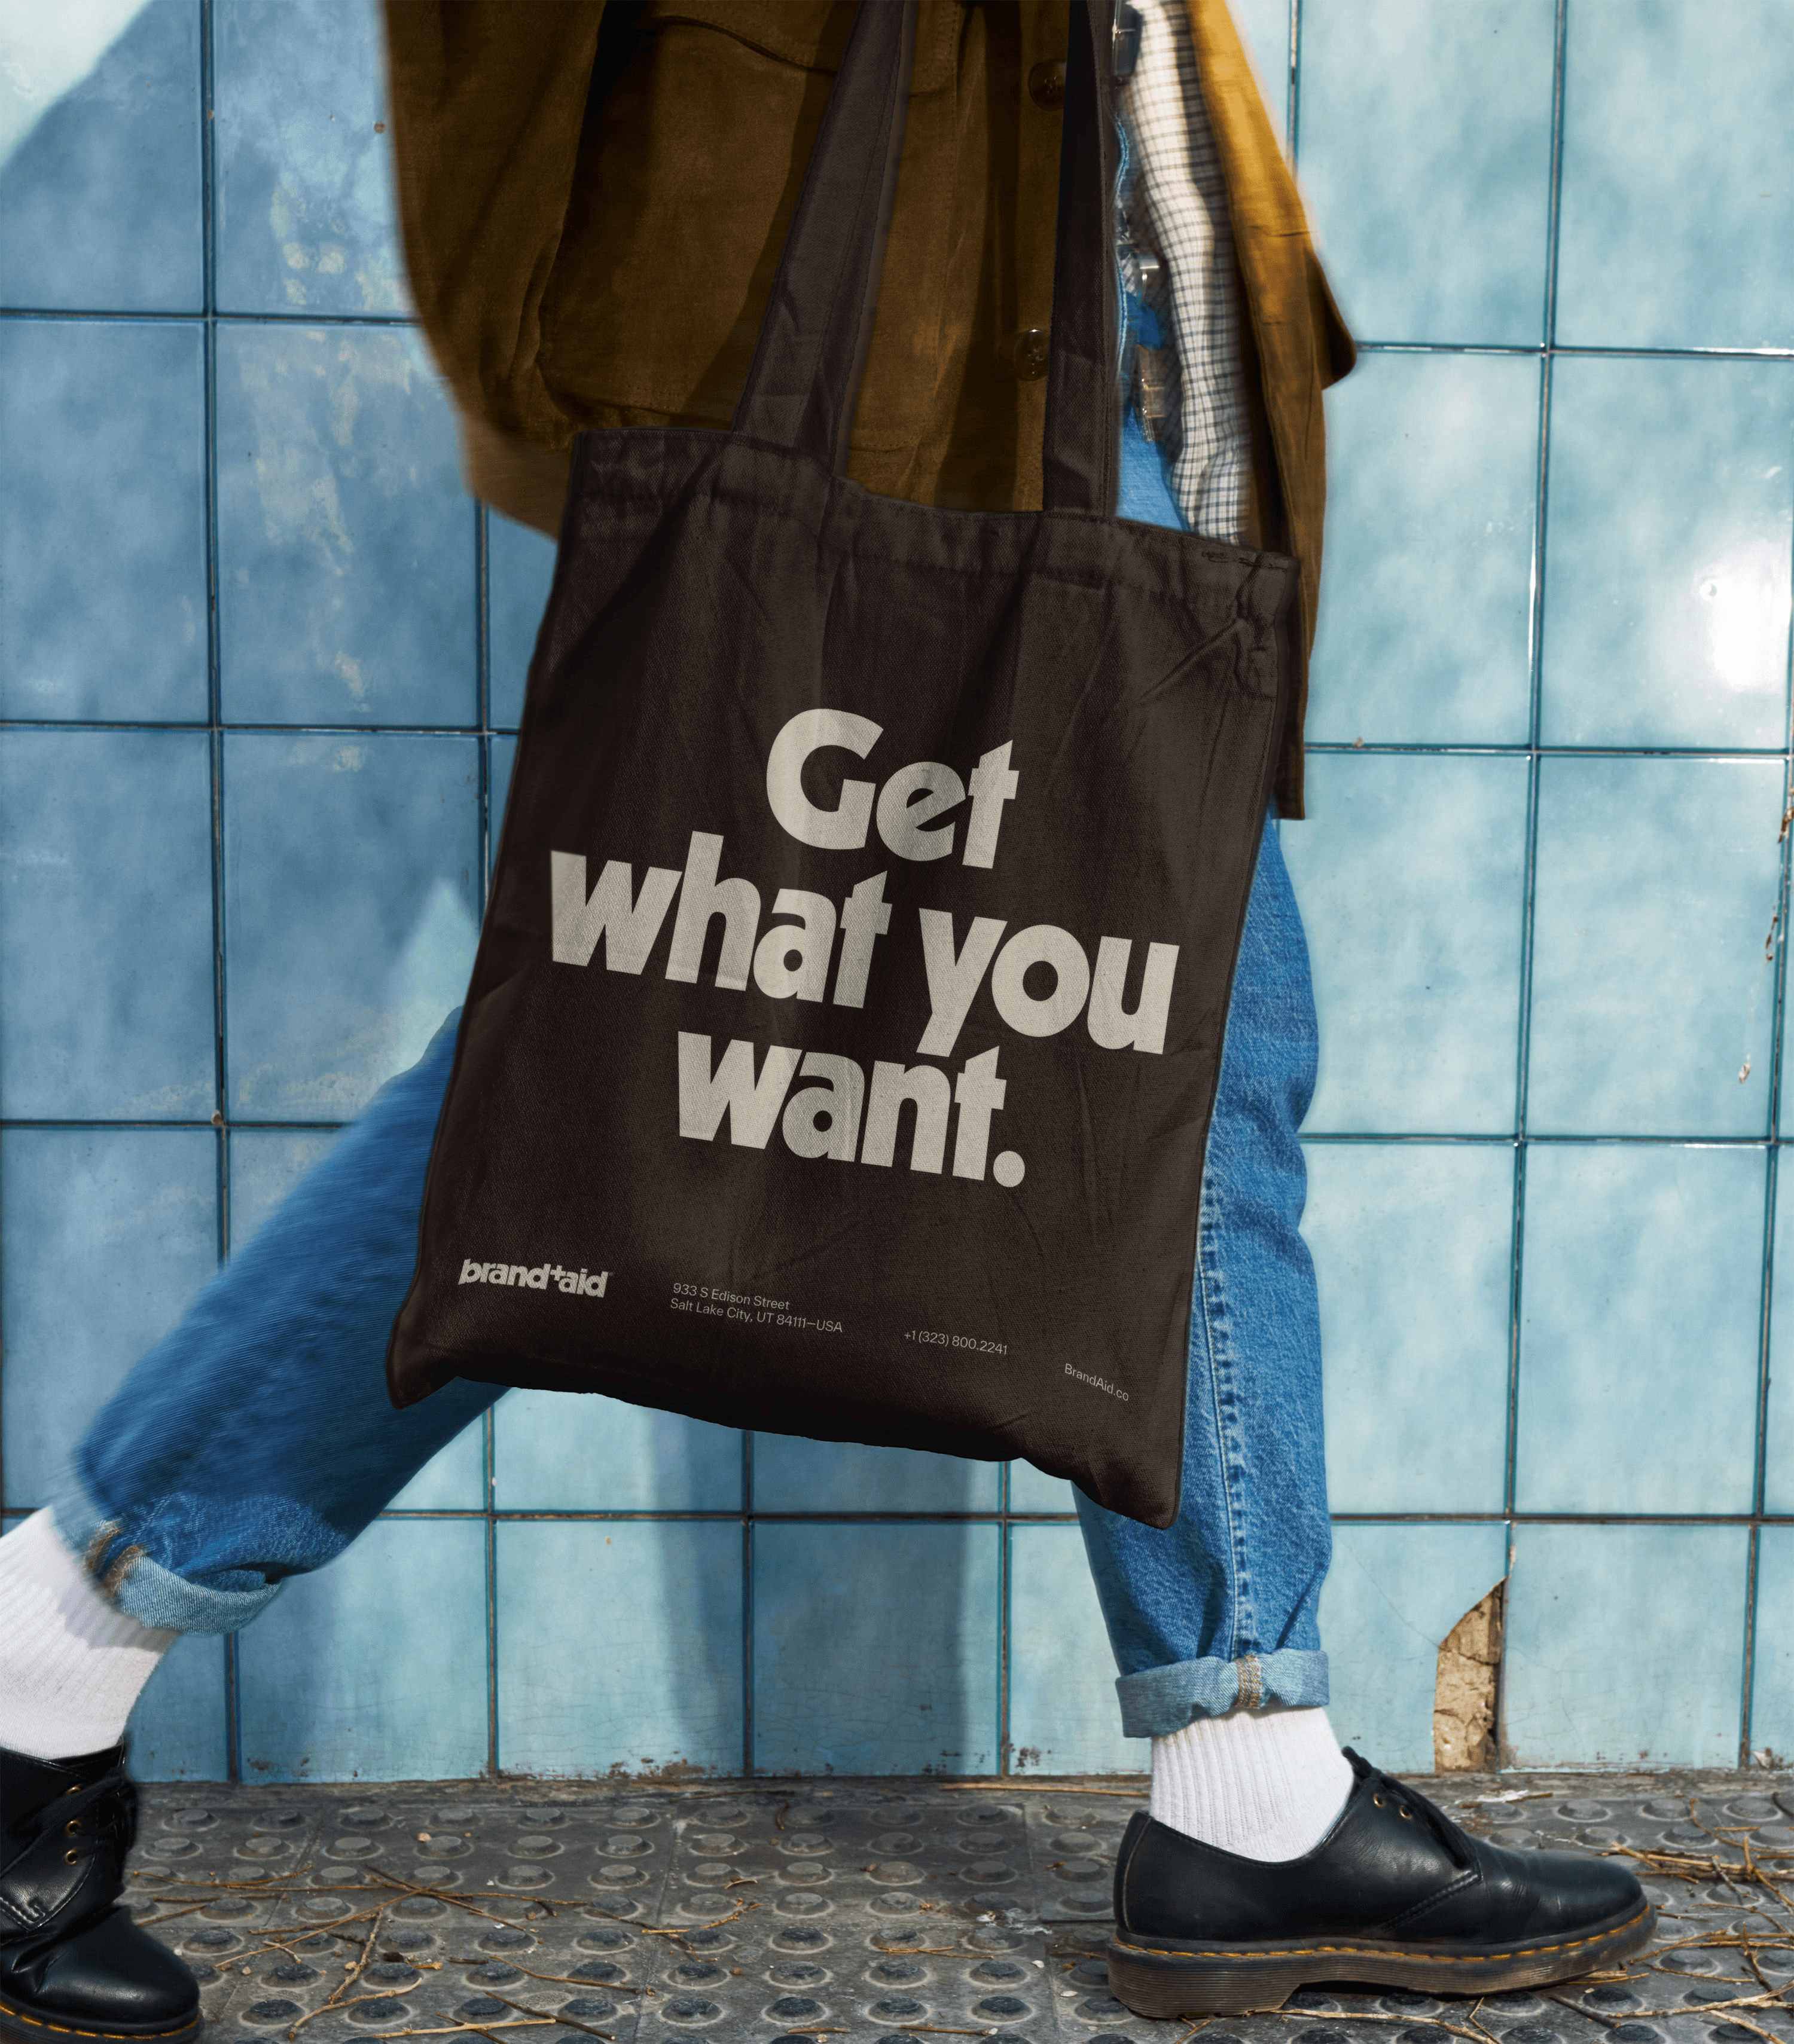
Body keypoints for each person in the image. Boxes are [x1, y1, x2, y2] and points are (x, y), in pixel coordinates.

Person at [0, 4, 1650, 2040]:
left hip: (1082, 322)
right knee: (653, 1064)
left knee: (716, 1050)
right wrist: (599, 352)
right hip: (888, 360)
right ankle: (1243, 1776)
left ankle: (40, 1651)